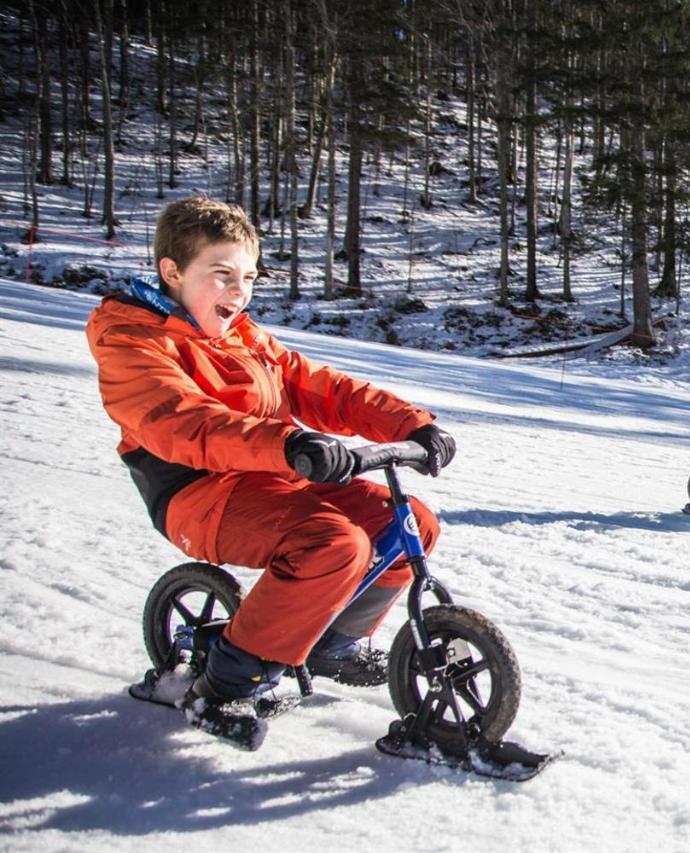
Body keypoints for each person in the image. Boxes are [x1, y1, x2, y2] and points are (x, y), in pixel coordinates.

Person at [86, 196, 455, 723]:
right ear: (172, 271)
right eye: (222, 275)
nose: (239, 293)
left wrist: (409, 423)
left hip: (273, 472)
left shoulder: (242, 336)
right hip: (197, 491)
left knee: (407, 525)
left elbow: (318, 386)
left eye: (250, 277)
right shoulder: (132, 340)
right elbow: (181, 420)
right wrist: (284, 446)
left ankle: (334, 642)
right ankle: (227, 683)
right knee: (331, 545)